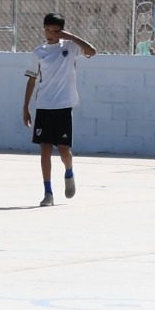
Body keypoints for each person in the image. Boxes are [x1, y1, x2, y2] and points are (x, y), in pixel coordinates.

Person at [22, 13, 97, 207]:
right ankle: (48, 193)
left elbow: (92, 51)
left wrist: (70, 37)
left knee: (64, 151)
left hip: (63, 106)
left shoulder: (70, 48)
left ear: (61, 31)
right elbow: (31, 80)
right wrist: (26, 107)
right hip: (44, 106)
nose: (50, 34)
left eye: (55, 31)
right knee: (45, 150)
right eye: (47, 29)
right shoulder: (39, 52)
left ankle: (69, 171)